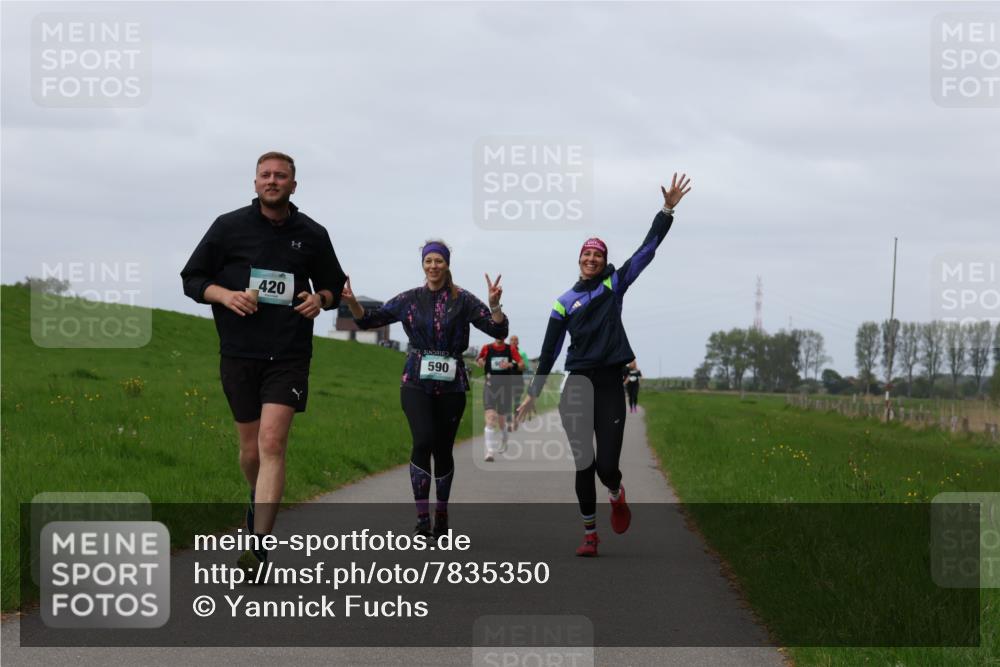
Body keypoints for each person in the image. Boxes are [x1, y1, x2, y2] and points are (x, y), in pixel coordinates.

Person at [181, 151, 347, 570]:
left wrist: (319, 299)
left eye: (281, 176)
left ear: (294, 184)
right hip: (239, 352)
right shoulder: (229, 227)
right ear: (255, 183)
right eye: (265, 175)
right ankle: (258, 505)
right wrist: (225, 295)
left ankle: (256, 547)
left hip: (288, 352)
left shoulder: (312, 233)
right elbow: (193, 279)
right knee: (250, 451)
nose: (272, 181)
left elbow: (331, 285)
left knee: (272, 442)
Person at [517, 173, 692, 557]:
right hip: (577, 384)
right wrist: (532, 395)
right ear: (579, 259)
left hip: (611, 383)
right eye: (586, 254)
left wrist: (666, 211)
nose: (592, 258)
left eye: (598, 254)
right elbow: (548, 352)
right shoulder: (563, 302)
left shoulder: (615, 285)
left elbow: (647, 250)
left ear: (604, 260)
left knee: (606, 466)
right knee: (583, 464)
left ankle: (616, 492)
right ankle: (590, 535)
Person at [342, 240, 507, 538]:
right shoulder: (410, 299)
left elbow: (498, 330)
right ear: (423, 264)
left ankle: (441, 512)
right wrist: (353, 301)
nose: (433, 266)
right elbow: (369, 321)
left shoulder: (463, 300)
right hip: (415, 381)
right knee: (423, 441)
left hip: (452, 385)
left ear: (447, 265)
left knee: (443, 449)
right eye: (428, 260)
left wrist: (494, 306)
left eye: (438, 261)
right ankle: (421, 519)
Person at [476, 337, 524, 460]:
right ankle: (490, 452)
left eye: (502, 332)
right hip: (490, 387)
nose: (499, 335)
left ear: (504, 335)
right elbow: (479, 360)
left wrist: (510, 364)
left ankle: (504, 438)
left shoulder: (510, 349)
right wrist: (480, 362)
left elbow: (521, 365)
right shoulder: (487, 348)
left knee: (502, 422)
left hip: (505, 389)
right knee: (491, 417)